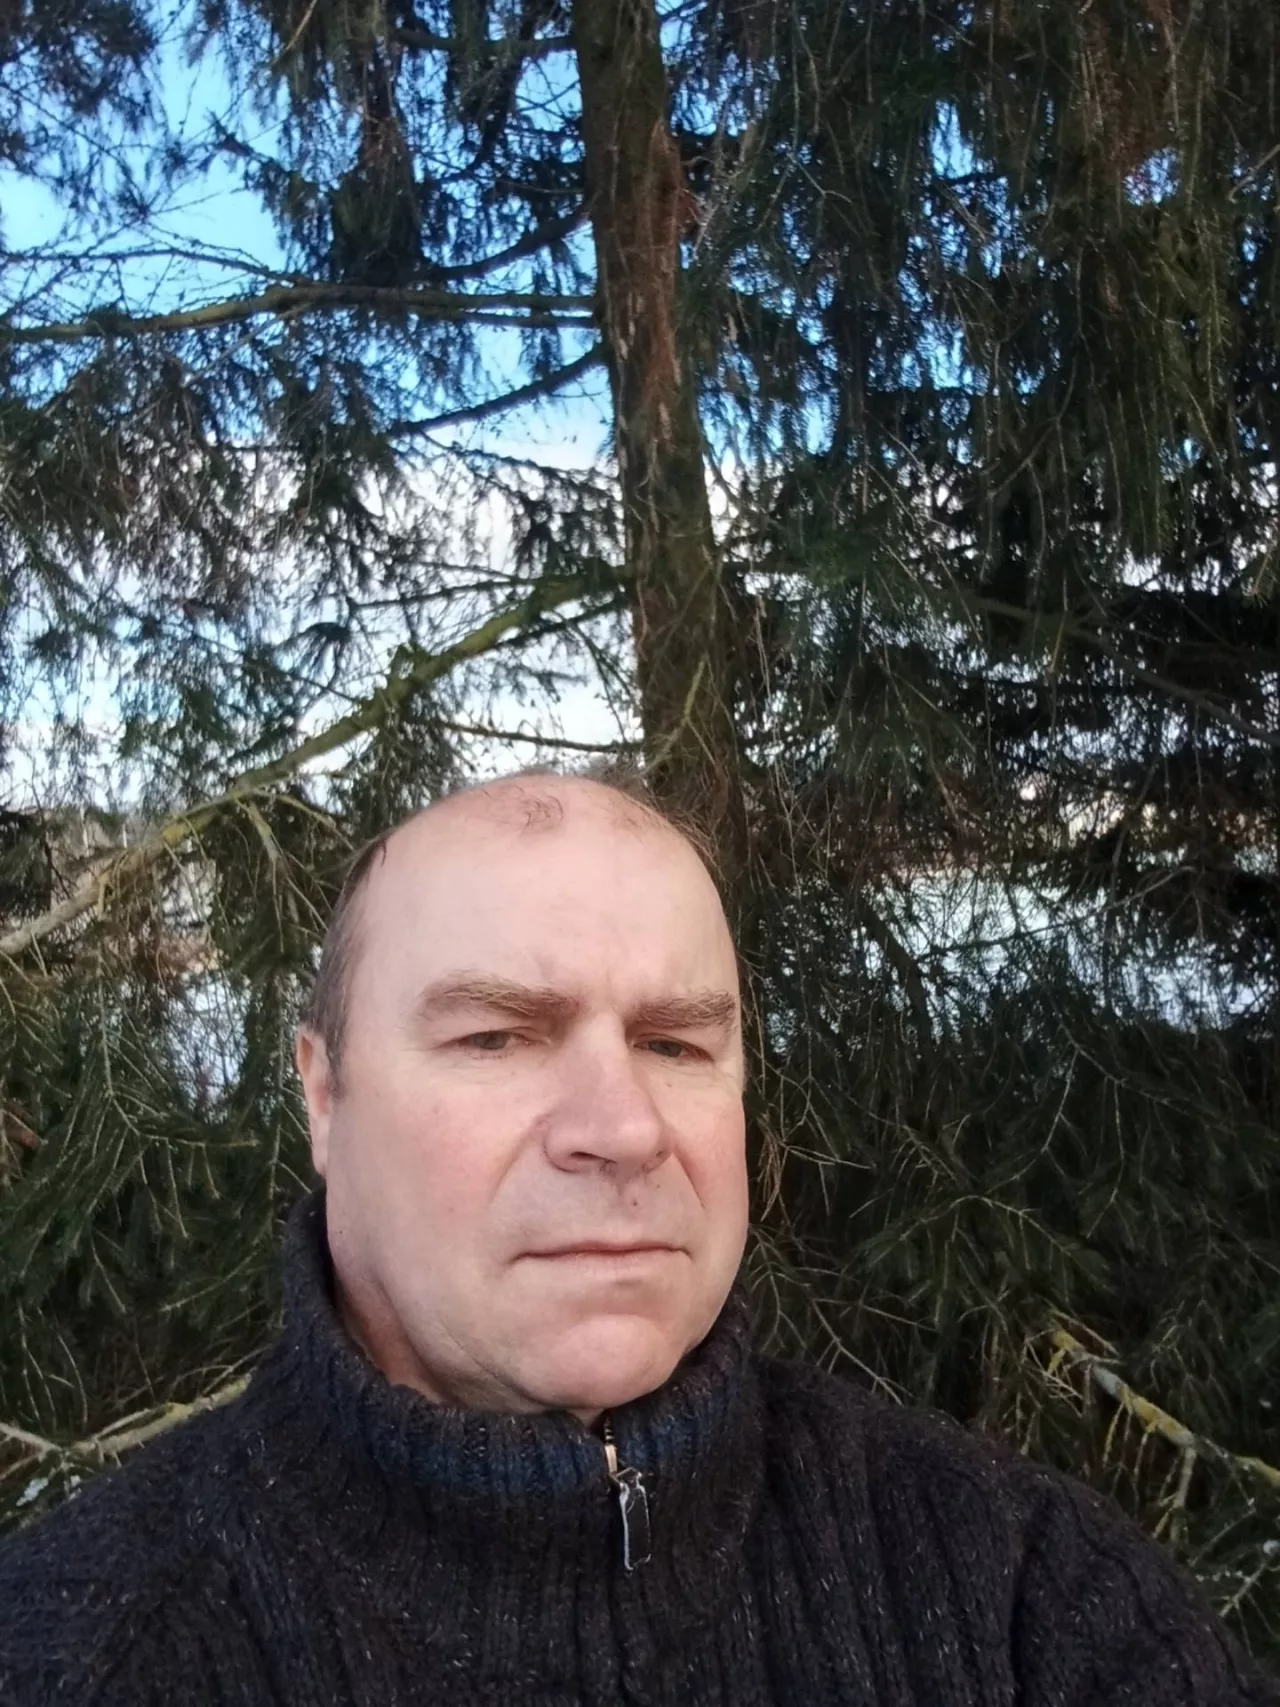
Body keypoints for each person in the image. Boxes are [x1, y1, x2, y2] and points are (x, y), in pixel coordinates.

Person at [0, 768, 1274, 1706]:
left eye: (673, 1044)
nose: (619, 1129)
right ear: (323, 1096)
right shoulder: (80, 1649)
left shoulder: (1022, 1602)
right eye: (496, 1037)